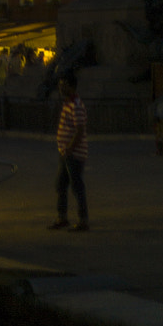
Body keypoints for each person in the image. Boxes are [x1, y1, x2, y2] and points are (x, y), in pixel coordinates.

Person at [51, 72, 89, 231]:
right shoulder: (68, 103)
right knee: (60, 184)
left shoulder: (76, 105)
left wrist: (70, 149)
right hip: (65, 152)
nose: (60, 87)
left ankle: (83, 220)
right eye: (60, 84)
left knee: (76, 186)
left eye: (63, 84)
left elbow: (79, 130)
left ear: (71, 86)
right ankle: (62, 217)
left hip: (73, 154)